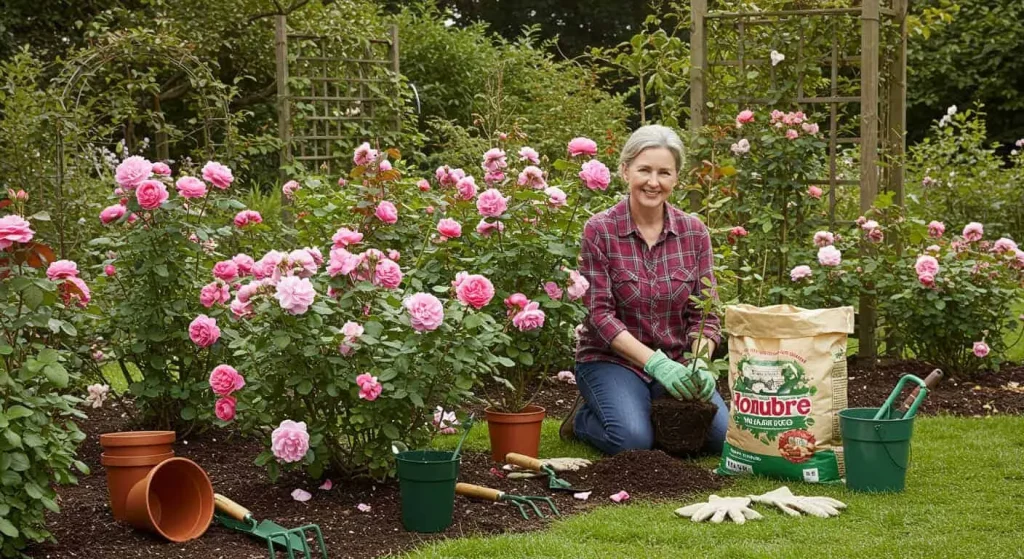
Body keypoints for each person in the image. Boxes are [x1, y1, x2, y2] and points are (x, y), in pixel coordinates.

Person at [560, 124, 729, 455]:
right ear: (625, 171)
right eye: (644, 170)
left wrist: (698, 364)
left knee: (719, 437)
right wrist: (655, 364)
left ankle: (645, 410)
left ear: (676, 178)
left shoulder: (695, 234)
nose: (654, 182)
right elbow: (599, 315)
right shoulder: (600, 230)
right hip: (612, 361)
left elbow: (706, 314)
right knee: (632, 441)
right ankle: (582, 421)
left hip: (677, 360)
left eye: (664, 172)